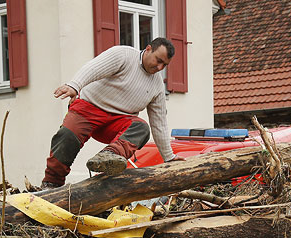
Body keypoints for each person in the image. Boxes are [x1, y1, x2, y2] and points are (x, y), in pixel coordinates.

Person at [41, 37, 184, 189]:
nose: (160, 67)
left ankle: (109, 156)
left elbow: (159, 124)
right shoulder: (124, 56)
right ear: (148, 49)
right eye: (158, 60)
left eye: (165, 65)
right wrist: (74, 86)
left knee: (141, 128)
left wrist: (169, 157)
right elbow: (93, 68)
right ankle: (51, 183)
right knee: (67, 136)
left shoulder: (157, 87)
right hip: (88, 108)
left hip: (118, 121)